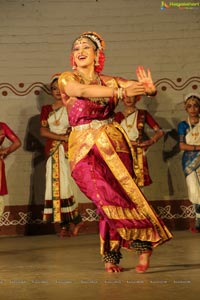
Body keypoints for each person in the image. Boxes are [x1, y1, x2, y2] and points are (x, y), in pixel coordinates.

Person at [58, 31, 172, 273]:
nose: (80, 50)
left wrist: (148, 90)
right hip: (82, 145)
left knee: (117, 197)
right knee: (102, 195)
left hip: (112, 144)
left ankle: (113, 256)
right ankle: (144, 237)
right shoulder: (67, 79)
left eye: (86, 47)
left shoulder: (110, 81)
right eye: (76, 47)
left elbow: (133, 86)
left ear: (97, 54)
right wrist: (122, 93)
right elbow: (83, 92)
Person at [40, 74, 83, 238]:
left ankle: (76, 220)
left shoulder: (72, 106)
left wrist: (67, 138)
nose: (57, 92)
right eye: (54, 89)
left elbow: (78, 128)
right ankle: (64, 226)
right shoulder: (46, 109)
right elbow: (43, 131)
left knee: (68, 186)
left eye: (60, 88)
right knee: (54, 187)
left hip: (68, 151)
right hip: (52, 151)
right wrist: (61, 137)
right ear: (50, 91)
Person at [115, 95, 164, 187]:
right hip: (123, 151)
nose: (128, 99)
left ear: (137, 98)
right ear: (122, 99)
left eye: (131, 97)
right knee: (124, 182)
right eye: (126, 97)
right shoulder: (117, 116)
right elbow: (113, 135)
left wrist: (151, 141)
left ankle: (138, 201)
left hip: (138, 151)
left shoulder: (142, 114)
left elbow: (160, 132)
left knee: (137, 182)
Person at [178, 93, 200, 233]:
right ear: (185, 108)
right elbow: (182, 146)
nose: (193, 109)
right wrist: (198, 148)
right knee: (194, 190)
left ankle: (199, 220)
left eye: (196, 105)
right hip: (190, 162)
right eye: (189, 106)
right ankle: (198, 218)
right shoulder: (183, 125)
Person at [0, 122, 21, 216]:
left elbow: (17, 143)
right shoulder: (2, 126)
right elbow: (17, 142)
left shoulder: (2, 126)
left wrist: (5, 151)